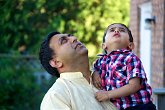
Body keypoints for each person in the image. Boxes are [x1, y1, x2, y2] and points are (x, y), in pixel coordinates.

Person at [39, 31, 117, 110]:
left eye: (71, 36)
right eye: (63, 41)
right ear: (56, 62)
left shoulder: (108, 71)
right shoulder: (56, 96)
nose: (74, 38)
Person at [92, 23, 156, 110]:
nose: (116, 31)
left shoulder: (130, 58)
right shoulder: (100, 62)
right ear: (104, 45)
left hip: (138, 106)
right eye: (112, 30)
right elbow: (94, 68)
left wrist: (108, 94)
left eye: (121, 30)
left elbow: (134, 86)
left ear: (130, 45)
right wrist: (95, 73)